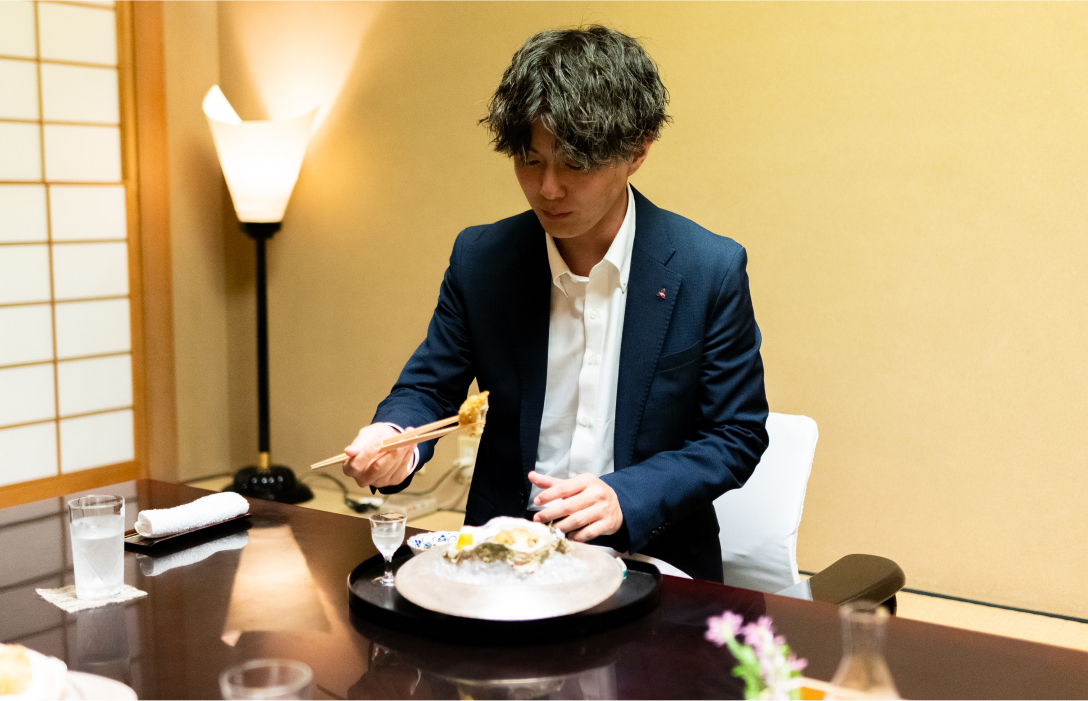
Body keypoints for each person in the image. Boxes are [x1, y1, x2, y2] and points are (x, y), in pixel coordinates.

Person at [342, 25, 769, 582]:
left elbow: (735, 434)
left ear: (637, 150)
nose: (547, 189)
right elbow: (429, 388)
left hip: (649, 559)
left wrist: (626, 495)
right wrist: (396, 439)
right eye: (529, 160)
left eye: (575, 163)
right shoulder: (483, 260)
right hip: (504, 554)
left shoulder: (706, 269)